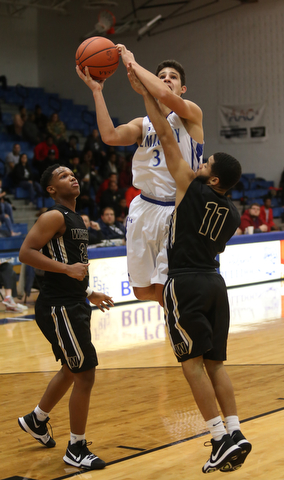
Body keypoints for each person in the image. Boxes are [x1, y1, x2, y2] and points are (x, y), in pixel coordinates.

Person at [127, 65, 251, 474]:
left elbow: (164, 133)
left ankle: (217, 436)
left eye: (206, 161)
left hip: (187, 283)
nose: (199, 160)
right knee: (217, 363)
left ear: (211, 177)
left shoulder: (189, 187)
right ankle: (236, 430)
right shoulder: (232, 215)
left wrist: (146, 92)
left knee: (191, 363)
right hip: (217, 283)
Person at [76, 45, 204, 306]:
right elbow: (110, 136)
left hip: (178, 206)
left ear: (182, 89)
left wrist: (131, 62)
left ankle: (181, 330)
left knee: (168, 288)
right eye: (162, 76)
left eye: (173, 77)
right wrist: (97, 92)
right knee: (143, 291)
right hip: (145, 207)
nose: (166, 79)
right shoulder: (141, 124)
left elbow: (160, 94)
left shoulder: (190, 113)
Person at [18, 163, 114, 470]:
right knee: (84, 373)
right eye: (63, 176)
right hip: (59, 307)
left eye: (72, 173)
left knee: (72, 369)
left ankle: (37, 419)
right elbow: (26, 252)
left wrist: (88, 292)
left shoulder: (75, 219)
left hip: (73, 302)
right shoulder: (54, 216)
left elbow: (74, 264)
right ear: (51, 189)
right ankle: (76, 448)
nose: (71, 176)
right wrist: (67, 271)